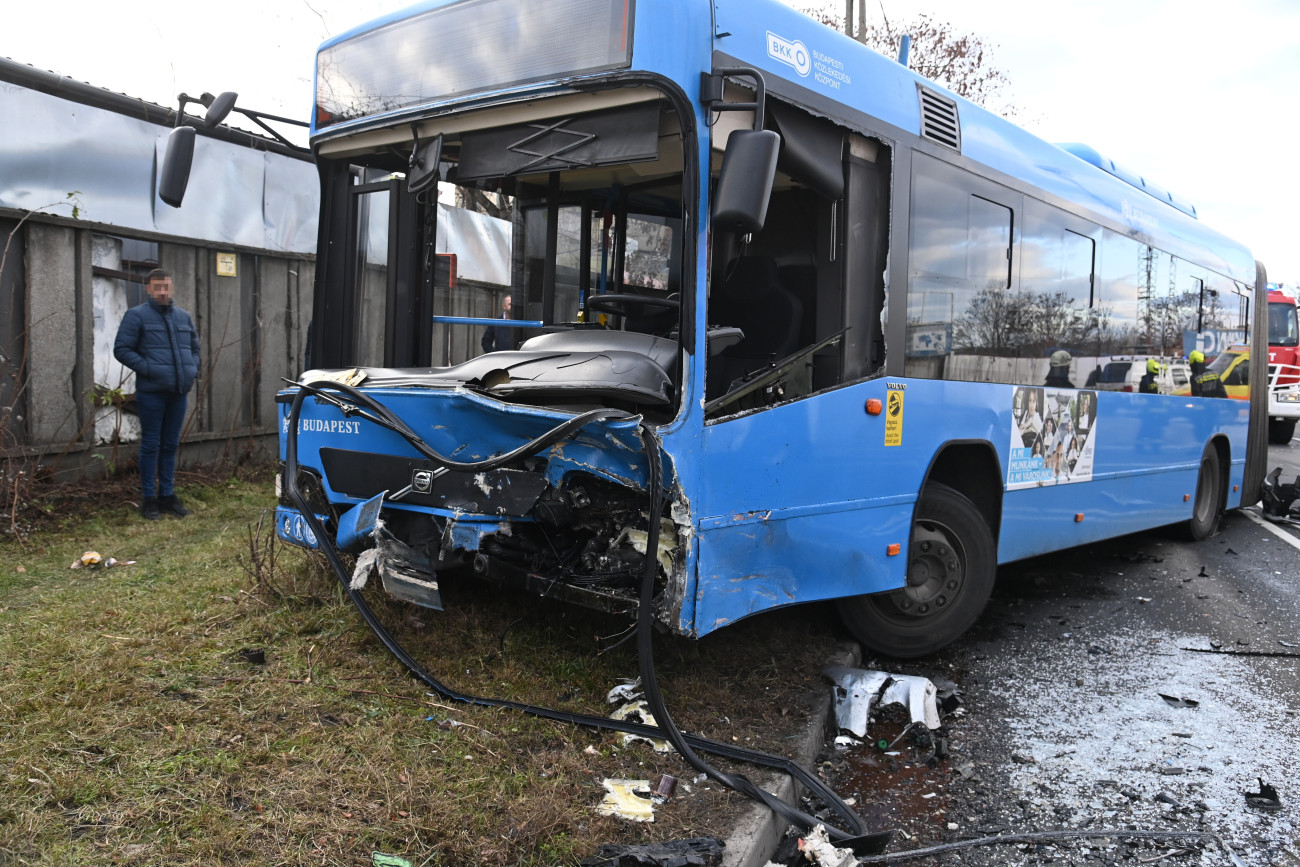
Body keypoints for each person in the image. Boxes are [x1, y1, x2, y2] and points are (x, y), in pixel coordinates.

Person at [114, 268, 200, 520]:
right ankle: (149, 499)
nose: (162, 292)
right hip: (151, 392)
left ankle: (168, 496)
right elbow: (122, 349)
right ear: (149, 289)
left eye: (166, 287)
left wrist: (193, 368)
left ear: (171, 288)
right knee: (151, 444)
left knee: (171, 444)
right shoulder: (136, 316)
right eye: (157, 287)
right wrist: (148, 368)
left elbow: (195, 347)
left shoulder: (183, 317)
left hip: (178, 392)